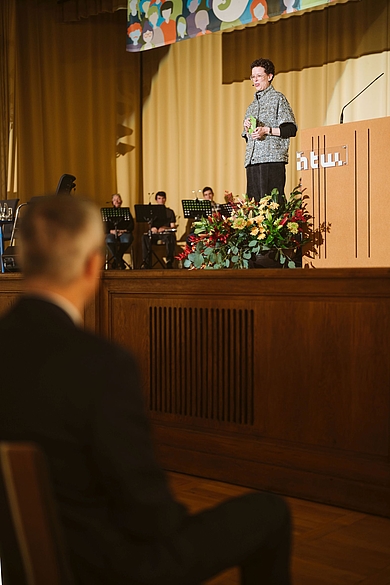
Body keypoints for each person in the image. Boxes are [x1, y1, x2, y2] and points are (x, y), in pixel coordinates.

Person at [0, 194, 292, 585]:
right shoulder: (101, 365)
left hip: (15, 560)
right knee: (270, 513)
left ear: (24, 258)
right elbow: (149, 514)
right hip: (110, 568)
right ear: (93, 266)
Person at [243, 58, 297, 203]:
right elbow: (247, 137)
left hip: (271, 160)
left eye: (259, 76)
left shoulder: (278, 99)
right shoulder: (251, 106)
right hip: (252, 161)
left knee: (272, 206)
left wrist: (266, 130)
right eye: (253, 77)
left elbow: (290, 129)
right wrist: (247, 127)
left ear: (270, 76)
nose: (255, 80)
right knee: (254, 209)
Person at [141, 191, 177, 269]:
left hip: (165, 234)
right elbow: (149, 224)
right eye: (159, 198)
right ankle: (147, 263)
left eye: (163, 198)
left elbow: (173, 227)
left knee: (170, 238)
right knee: (145, 238)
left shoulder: (170, 212)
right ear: (156, 200)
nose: (161, 200)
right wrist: (152, 228)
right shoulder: (152, 212)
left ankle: (169, 262)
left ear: (165, 199)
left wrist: (165, 228)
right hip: (155, 234)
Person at [104, 193, 134, 269]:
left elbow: (131, 225)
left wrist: (124, 230)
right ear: (112, 202)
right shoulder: (107, 213)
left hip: (124, 232)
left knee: (127, 239)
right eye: (114, 200)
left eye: (118, 199)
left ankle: (117, 260)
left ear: (121, 201)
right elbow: (104, 226)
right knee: (109, 240)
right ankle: (119, 261)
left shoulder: (126, 212)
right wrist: (111, 231)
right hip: (112, 232)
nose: (116, 201)